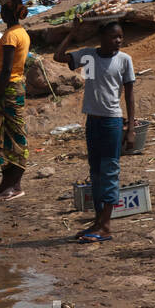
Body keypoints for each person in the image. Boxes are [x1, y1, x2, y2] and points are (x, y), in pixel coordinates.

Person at [54, 19, 136, 242]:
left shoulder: (124, 60)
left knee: (109, 172)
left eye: (120, 36)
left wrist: (131, 129)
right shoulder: (89, 56)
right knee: (96, 173)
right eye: (113, 37)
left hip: (112, 122)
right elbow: (59, 57)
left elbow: (129, 95)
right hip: (93, 122)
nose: (118, 41)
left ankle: (106, 226)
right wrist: (72, 33)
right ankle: (98, 222)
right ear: (101, 38)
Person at [0, 0, 30, 201]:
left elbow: (7, 69)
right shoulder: (19, 32)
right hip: (10, 87)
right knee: (3, 135)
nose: (0, 12)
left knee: (15, 137)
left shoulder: (13, 35)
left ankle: (16, 186)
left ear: (10, 11)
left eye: (3, 9)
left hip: (9, 88)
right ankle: (6, 183)